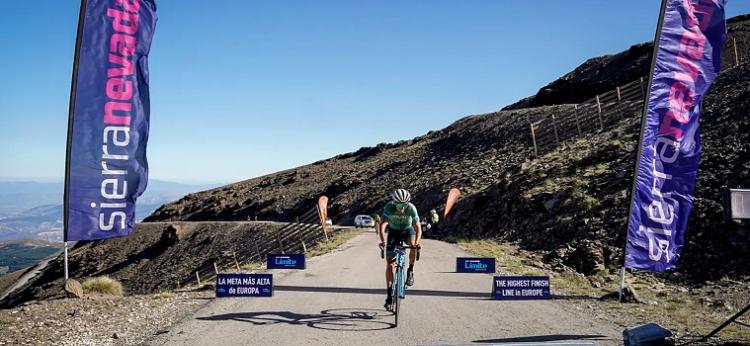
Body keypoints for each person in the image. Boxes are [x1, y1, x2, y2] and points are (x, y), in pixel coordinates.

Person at [378, 188, 422, 310]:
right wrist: (382, 241)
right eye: (399, 205)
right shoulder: (389, 208)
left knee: (412, 244)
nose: (402, 208)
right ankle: (389, 295)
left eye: (404, 205)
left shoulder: (411, 208)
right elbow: (382, 225)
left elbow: (418, 228)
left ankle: (410, 270)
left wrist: (417, 243)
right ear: (394, 202)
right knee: (390, 265)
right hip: (394, 232)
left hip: (408, 230)